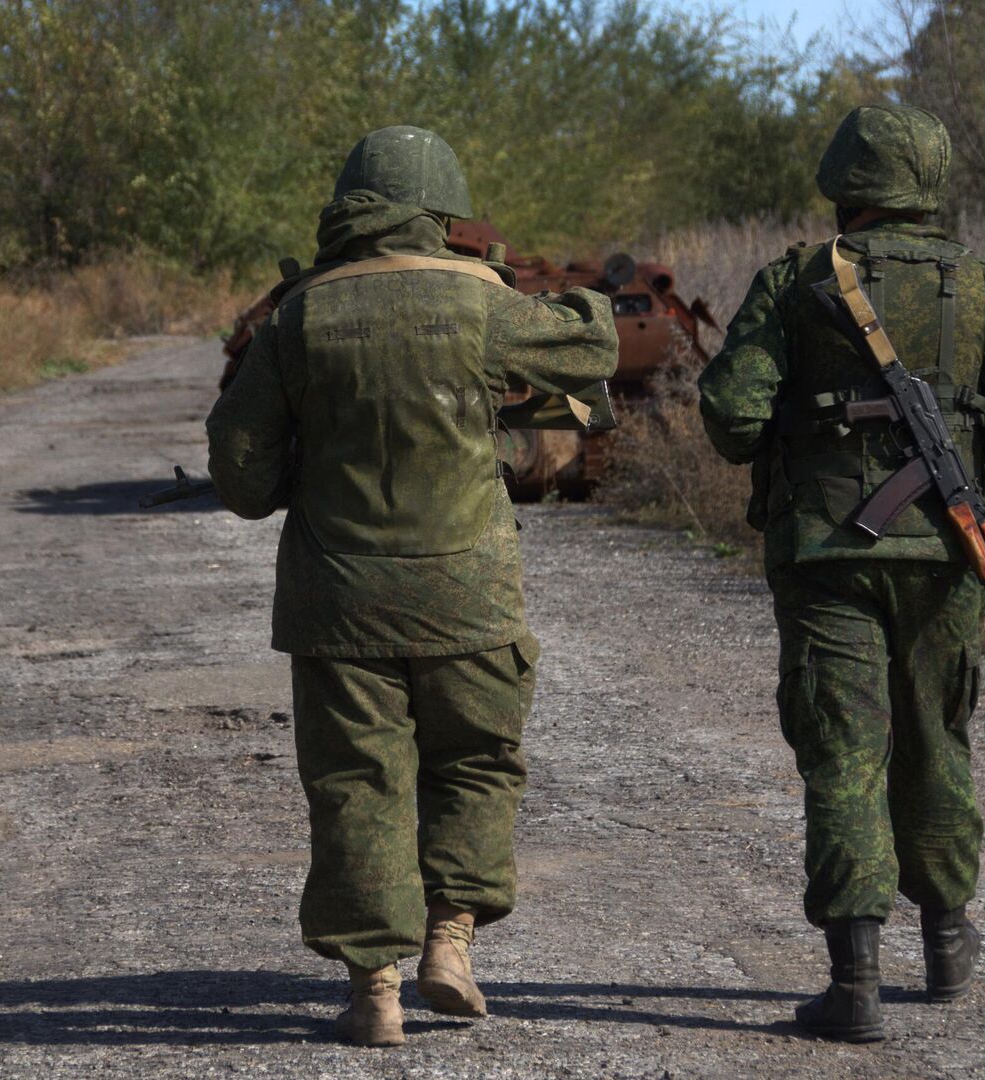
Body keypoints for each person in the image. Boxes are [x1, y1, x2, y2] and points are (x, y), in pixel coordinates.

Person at [205, 125, 619, 1047]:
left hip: (337, 601)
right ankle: (451, 942)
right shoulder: (481, 304)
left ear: (347, 210)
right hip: (469, 595)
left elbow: (241, 480)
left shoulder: (296, 318)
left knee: (357, 782)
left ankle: (375, 995)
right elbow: (593, 348)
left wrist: (305, 473)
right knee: (474, 764)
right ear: (442, 212)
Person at [696, 104, 985, 1042]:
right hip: (947, 550)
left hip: (828, 555)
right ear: (930, 181)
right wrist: (966, 451)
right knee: (938, 738)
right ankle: (947, 943)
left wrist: (803, 425)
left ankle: (855, 983)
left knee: (844, 750)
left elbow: (730, 418)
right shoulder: (984, 285)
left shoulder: (796, 281)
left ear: (845, 182)